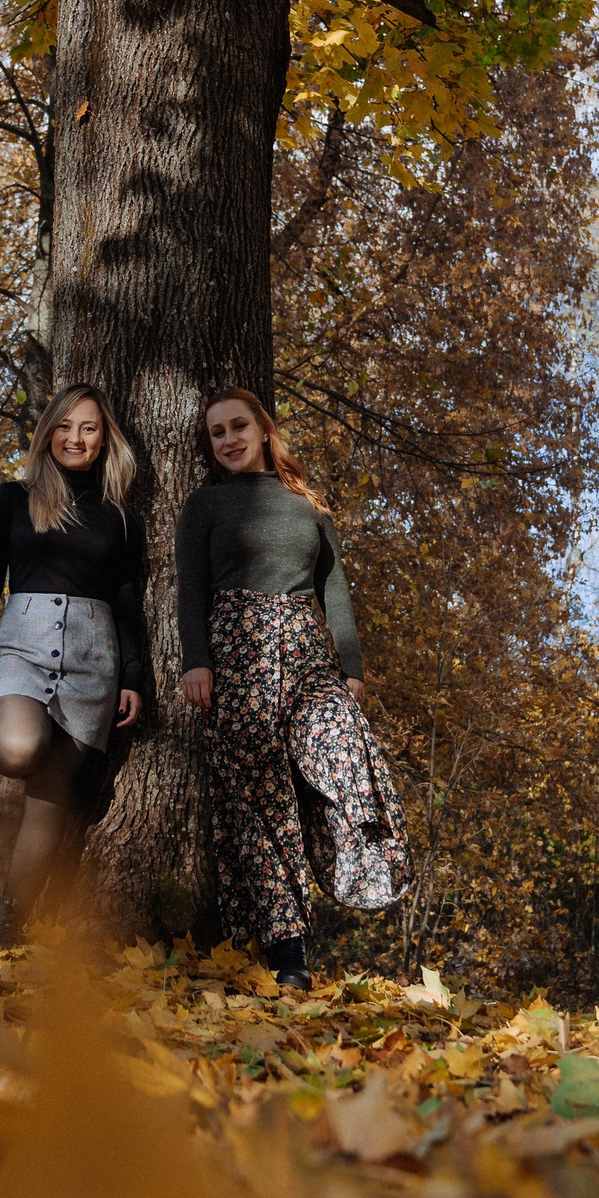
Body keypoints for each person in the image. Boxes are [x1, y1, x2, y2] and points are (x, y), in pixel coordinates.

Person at [177, 387, 408, 989]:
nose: (228, 440)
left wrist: (352, 671)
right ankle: (289, 954)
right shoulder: (204, 505)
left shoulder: (309, 505)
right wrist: (196, 662)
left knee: (345, 754)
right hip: (235, 652)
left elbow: (335, 592)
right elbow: (190, 591)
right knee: (261, 803)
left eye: (238, 428)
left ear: (263, 430)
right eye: (217, 433)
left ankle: (367, 868)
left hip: (307, 653)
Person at [0, 383, 148, 944]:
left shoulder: (119, 518)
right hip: (21, 648)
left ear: (104, 438)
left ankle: (8, 930)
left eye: (88, 428)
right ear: (47, 435)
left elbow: (127, 601)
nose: (75, 438)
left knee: (50, 798)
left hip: (95, 662)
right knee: (19, 750)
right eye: (64, 426)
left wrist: (134, 678)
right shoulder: (13, 499)